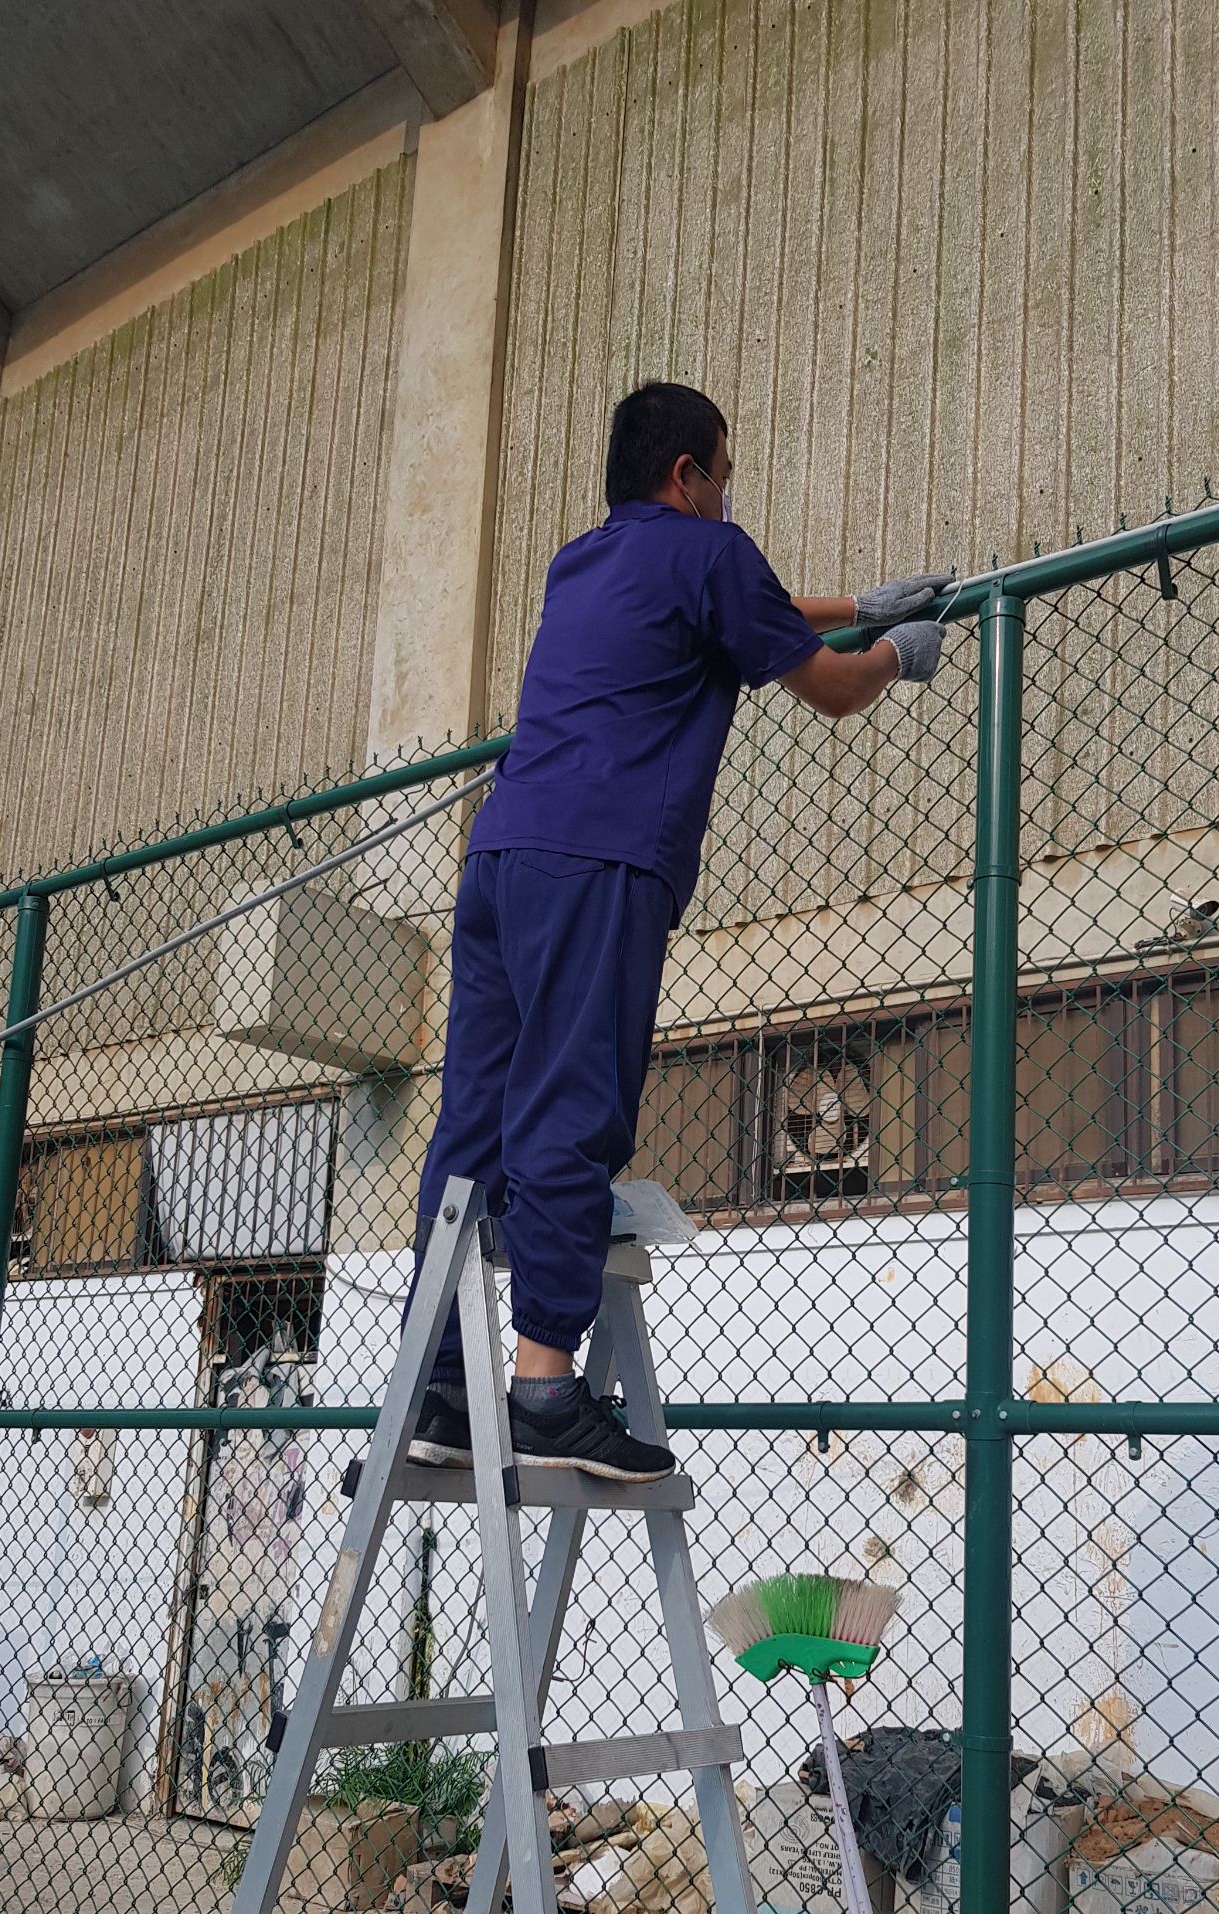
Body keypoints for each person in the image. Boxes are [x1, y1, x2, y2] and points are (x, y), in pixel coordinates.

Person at [404, 380, 948, 1481]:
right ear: (688, 475)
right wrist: (898, 650)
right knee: (571, 1106)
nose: (728, 493)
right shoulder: (712, 552)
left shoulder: (580, 562)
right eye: (724, 474)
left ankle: (440, 1391)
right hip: (601, 858)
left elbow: (743, 610)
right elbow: (833, 692)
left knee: (474, 1119)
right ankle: (544, 1390)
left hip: (502, 856)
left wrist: (854, 603)